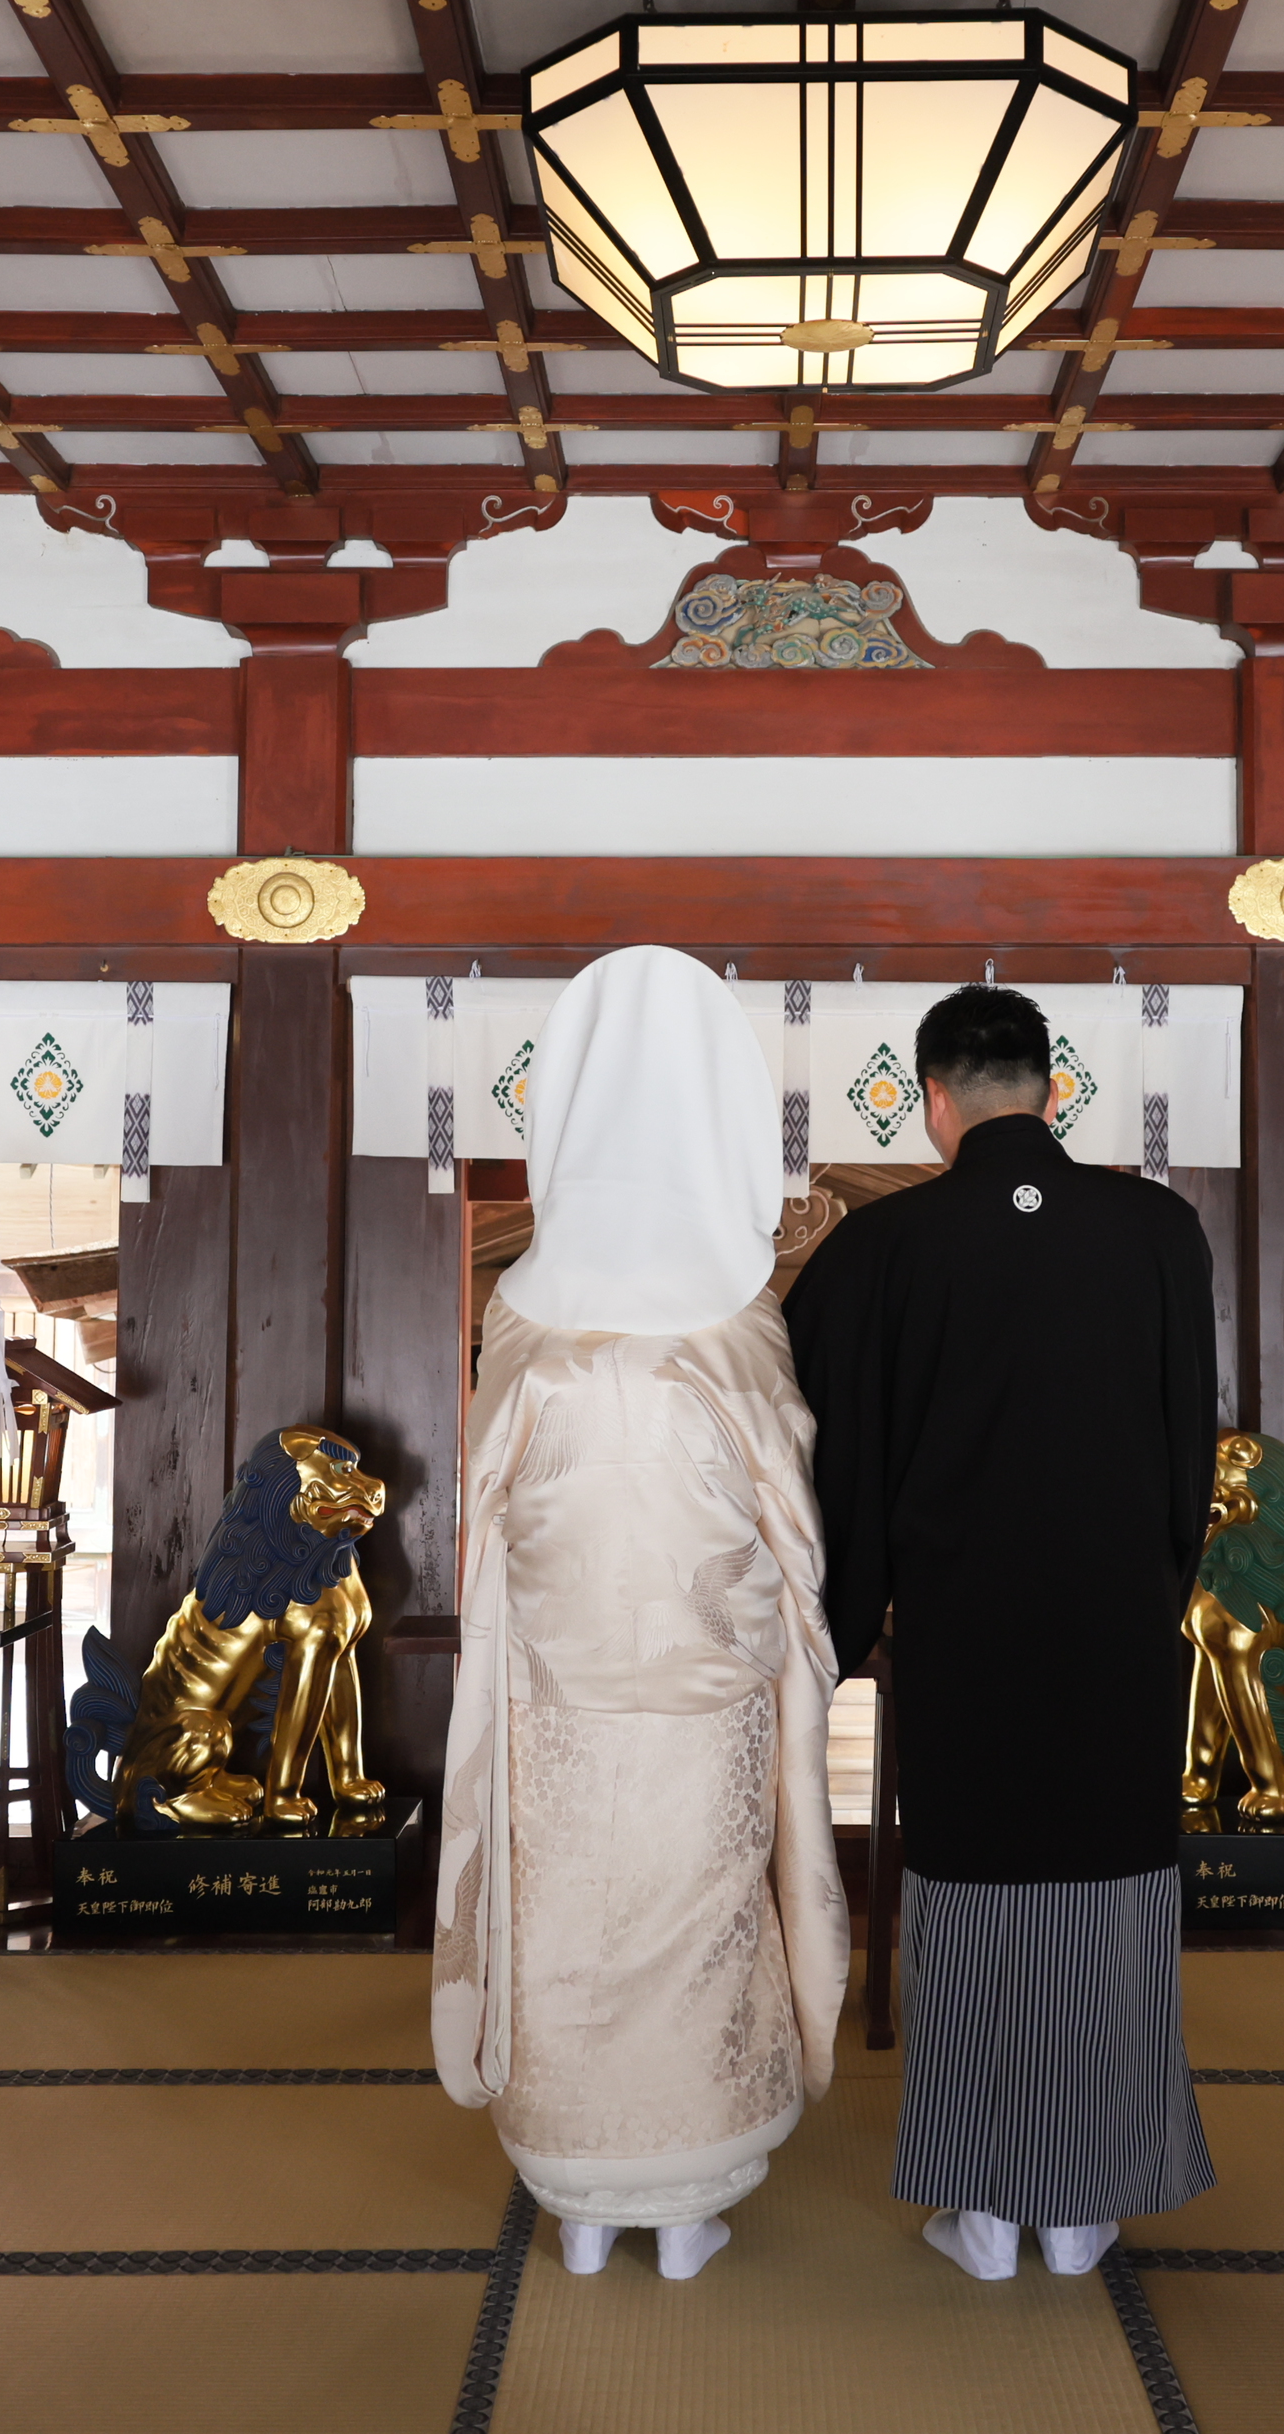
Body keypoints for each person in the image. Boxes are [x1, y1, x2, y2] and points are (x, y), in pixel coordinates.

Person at [784, 984, 1219, 2284]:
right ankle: (1091, 2205)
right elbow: (1187, 1443)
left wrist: (838, 1624)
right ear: (1052, 1087)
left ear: (933, 1103)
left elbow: (829, 1456)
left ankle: (983, 2211)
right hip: (1115, 1633)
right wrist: (1154, 1586)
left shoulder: (882, 1249)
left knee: (972, 1902)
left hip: (964, 1634)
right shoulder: (1158, 1231)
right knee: (1108, 1894)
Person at [428, 947, 847, 2283]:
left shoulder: (522, 1305)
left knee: (566, 1927)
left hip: (555, 1692)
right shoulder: (736, 1311)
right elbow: (790, 1510)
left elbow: (492, 1508)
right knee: (699, 1922)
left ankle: (582, 2203)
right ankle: (685, 2204)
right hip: (706, 1694)